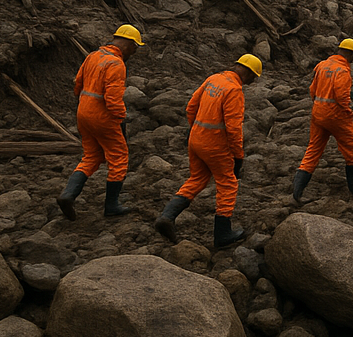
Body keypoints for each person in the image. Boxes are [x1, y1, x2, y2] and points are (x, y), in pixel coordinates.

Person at [155, 54, 262, 248]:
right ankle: (222, 235)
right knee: (228, 185)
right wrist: (238, 156)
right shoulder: (234, 90)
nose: (252, 81)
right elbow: (234, 128)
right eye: (253, 77)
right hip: (215, 146)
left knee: (197, 179)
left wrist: (196, 130)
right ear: (247, 73)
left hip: (195, 140)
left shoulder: (214, 79)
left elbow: (191, 107)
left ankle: (167, 216)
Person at [59, 24, 144, 219]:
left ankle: (68, 195)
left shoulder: (93, 56)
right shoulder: (116, 64)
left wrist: (84, 105)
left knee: (91, 156)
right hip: (102, 116)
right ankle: (111, 205)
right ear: (128, 44)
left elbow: (77, 84)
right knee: (118, 158)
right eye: (135, 47)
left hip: (83, 113)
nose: (135, 51)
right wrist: (121, 116)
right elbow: (113, 99)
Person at [291, 38, 353, 203]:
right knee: (352, 149)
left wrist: (319, 106)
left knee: (313, 149)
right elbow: (342, 96)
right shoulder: (342, 71)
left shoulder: (322, 65)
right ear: (350, 54)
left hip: (317, 113)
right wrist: (347, 111)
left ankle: (297, 190)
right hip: (336, 115)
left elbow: (312, 90)